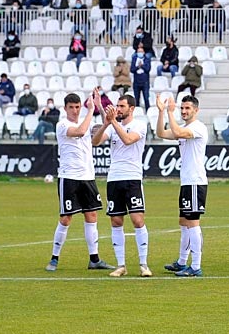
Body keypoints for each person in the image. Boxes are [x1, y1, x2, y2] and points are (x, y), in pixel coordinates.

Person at [46, 91, 115, 272]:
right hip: (69, 177)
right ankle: (54, 257)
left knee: (91, 216)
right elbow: (80, 131)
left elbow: (99, 135)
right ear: (65, 108)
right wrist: (91, 110)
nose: (75, 111)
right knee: (66, 218)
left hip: (87, 177)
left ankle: (94, 259)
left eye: (78, 107)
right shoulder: (62, 125)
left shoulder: (88, 121)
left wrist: (101, 110)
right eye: (72, 107)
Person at [91, 96, 149, 278]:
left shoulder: (139, 125)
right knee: (116, 221)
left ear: (131, 108)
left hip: (132, 178)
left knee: (137, 220)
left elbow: (128, 140)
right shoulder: (113, 126)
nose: (118, 109)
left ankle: (143, 264)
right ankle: (121, 265)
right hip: (114, 178)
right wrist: (106, 124)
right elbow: (95, 141)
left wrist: (113, 121)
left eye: (122, 106)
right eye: (117, 106)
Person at [154, 95, 209, 277]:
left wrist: (170, 113)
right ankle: (182, 262)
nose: (184, 111)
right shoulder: (184, 128)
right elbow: (161, 133)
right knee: (184, 222)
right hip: (187, 181)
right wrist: (162, 111)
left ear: (196, 110)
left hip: (195, 181)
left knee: (193, 222)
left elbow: (177, 133)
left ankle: (196, 266)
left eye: (187, 108)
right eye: (182, 108)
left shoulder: (198, 127)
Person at [130, 46, 152, 110]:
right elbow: (132, 69)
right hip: (136, 82)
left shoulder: (147, 59)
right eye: (138, 51)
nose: (140, 53)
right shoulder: (134, 59)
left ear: (144, 52)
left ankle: (148, 111)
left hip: (145, 82)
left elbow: (148, 69)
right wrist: (137, 67)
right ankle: (136, 112)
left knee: (146, 98)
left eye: (141, 51)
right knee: (136, 99)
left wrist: (142, 65)